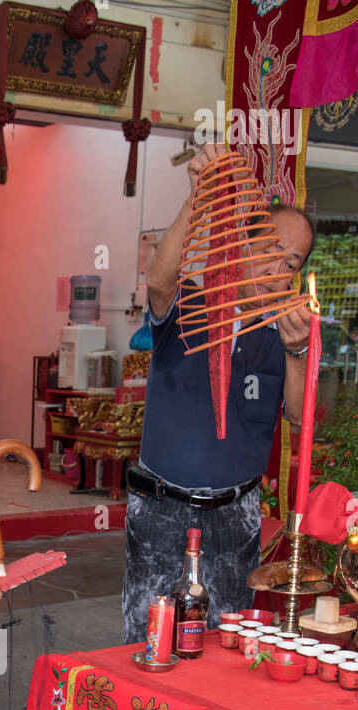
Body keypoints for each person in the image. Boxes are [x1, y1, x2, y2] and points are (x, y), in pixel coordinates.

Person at [121, 143, 315, 643]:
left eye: (290, 263)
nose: (278, 269)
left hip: (236, 518)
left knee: (227, 647)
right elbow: (158, 279)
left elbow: (298, 416)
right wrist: (199, 196)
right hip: (161, 510)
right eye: (270, 251)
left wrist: (298, 352)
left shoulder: (287, 331)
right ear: (243, 245)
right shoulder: (192, 305)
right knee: (151, 644)